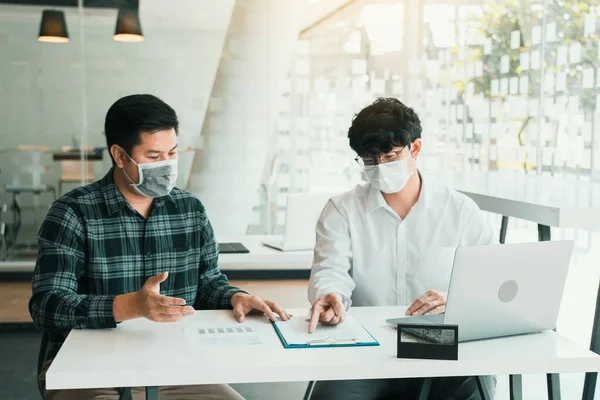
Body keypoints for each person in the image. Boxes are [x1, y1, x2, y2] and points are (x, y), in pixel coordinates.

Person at [30, 94, 290, 400]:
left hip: (176, 364)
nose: (166, 165)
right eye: (154, 158)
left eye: (172, 153)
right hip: (89, 368)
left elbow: (207, 284)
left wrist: (236, 297)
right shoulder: (73, 213)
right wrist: (130, 307)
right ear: (119, 155)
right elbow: (47, 305)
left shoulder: (189, 209)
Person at [307, 97, 497, 400]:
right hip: (368, 343)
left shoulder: (459, 211)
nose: (380, 168)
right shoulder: (342, 210)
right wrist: (330, 295)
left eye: (390, 156)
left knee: (472, 390)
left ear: (415, 149)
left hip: (439, 340)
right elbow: (330, 270)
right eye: (370, 161)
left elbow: (493, 281)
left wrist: (457, 300)